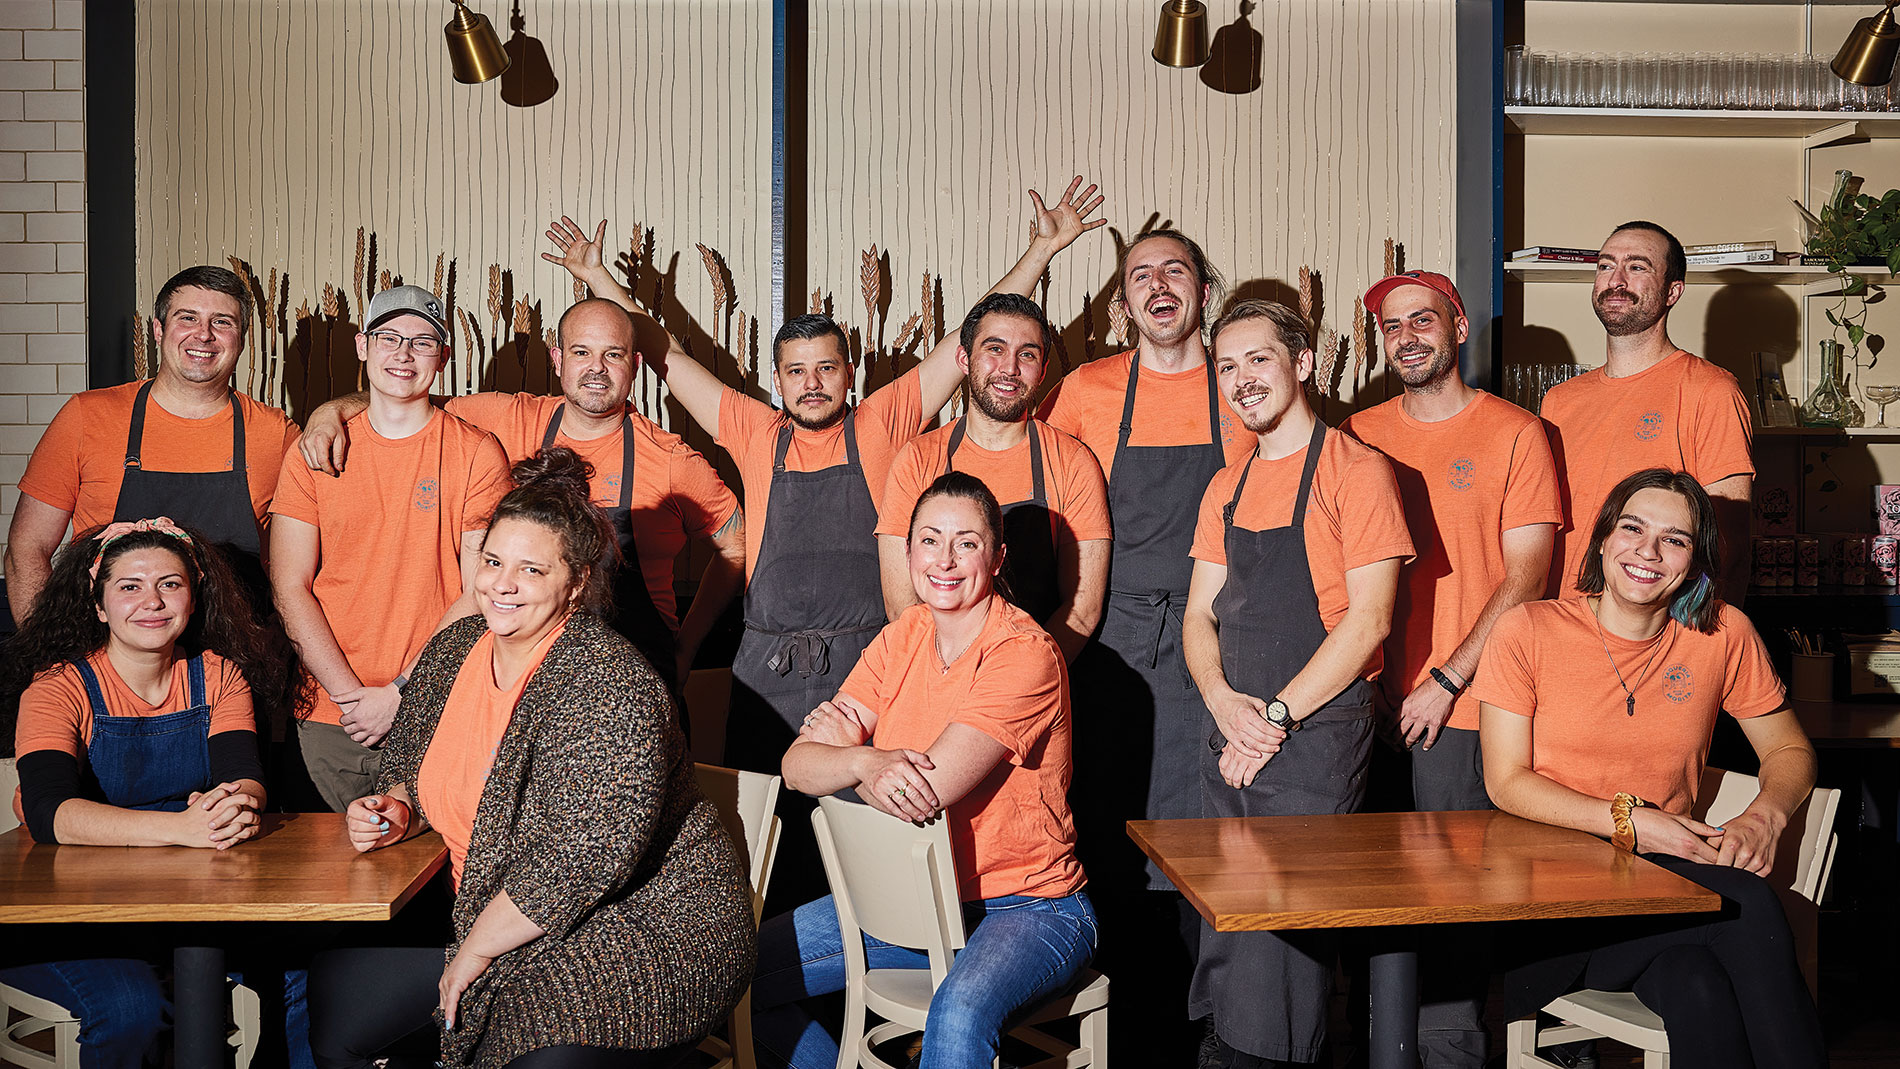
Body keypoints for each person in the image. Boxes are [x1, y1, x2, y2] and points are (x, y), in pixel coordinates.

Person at [542, 176, 1105, 772]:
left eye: (826, 368)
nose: (811, 384)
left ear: (849, 372)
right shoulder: (755, 431)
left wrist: (1041, 250)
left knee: (854, 841)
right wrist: (600, 280)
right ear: (778, 380)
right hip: (764, 671)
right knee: (768, 840)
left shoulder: (883, 424)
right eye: (796, 372)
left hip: (865, 674)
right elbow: (664, 354)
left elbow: (968, 336)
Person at [306, 448, 756, 1069]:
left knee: (530, 1043)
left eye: (530, 570)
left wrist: (477, 950)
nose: (502, 585)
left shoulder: (610, 684)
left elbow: (586, 853)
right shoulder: (456, 648)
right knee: (337, 1004)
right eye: (492, 562)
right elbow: (406, 762)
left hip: (640, 927)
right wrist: (397, 807)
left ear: (575, 583)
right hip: (497, 913)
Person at [1473, 468, 1826, 1069]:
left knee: (1697, 984)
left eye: (1676, 539)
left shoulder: (1721, 634)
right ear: (1604, 540)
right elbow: (1505, 781)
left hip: (1671, 894)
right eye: (1632, 528)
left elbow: (1790, 751)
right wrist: (1632, 822)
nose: (1649, 551)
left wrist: (1766, 816)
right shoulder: (1527, 630)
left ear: (1697, 560)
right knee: (1747, 905)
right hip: (1552, 908)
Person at [751, 472, 1094, 1069]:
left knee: (958, 1014)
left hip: (1025, 909)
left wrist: (853, 762)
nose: (946, 560)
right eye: (930, 540)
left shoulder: (1025, 654)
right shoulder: (902, 636)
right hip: (905, 906)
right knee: (733, 973)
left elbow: (925, 791)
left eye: (967, 543)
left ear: (997, 556)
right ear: (907, 552)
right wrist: (866, 761)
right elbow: (797, 766)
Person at [1036, 228, 1252, 1063]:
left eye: (1177, 271)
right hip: (1111, 647)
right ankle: (1120, 1033)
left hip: (1217, 644)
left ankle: (1211, 1029)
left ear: (1204, 288)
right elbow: (1042, 503)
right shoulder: (1087, 388)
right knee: (1110, 829)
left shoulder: (1240, 384)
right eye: (1140, 276)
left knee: (1210, 840)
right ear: (1123, 303)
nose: (1160, 286)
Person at [295, 296, 745, 691]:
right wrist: (328, 412)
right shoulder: (507, 418)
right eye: (581, 352)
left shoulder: (670, 459)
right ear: (557, 359)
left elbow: (737, 545)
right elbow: (406, 394)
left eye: (614, 354)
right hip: (525, 682)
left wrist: (685, 650)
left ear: (636, 365)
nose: (596, 368)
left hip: (636, 679)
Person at [1337, 271, 1560, 1067]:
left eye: (1422, 319)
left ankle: (1452, 1057)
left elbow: (1528, 576)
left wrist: (1448, 676)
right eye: (1392, 325)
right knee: (1369, 899)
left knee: (1452, 904)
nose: (1407, 337)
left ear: (1458, 327)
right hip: (1364, 705)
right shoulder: (1355, 433)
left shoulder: (1514, 433)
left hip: (1462, 709)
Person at [1183, 299, 1413, 1068]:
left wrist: (1275, 716)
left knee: (1283, 930)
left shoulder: (1358, 470)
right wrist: (1222, 701)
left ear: (1303, 362)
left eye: (1258, 359)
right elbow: (1197, 615)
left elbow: (1370, 621)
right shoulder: (1228, 484)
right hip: (1232, 723)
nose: (1241, 378)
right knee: (1227, 919)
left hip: (1311, 734)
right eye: (1226, 366)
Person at [2, 516, 287, 1069]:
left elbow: (244, 771)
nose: (151, 602)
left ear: (194, 597)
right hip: (68, 913)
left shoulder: (219, 675)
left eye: (170, 584)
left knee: (299, 977)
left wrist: (238, 804)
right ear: (99, 605)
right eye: (129, 587)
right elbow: (47, 811)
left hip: (187, 903)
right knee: (131, 1007)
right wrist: (182, 829)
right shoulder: (57, 687)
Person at [269, 285, 512, 811]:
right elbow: (290, 587)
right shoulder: (311, 452)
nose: (404, 354)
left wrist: (402, 691)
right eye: (389, 338)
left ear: (444, 359)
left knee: (431, 879)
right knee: (330, 882)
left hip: (437, 704)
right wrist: (350, 698)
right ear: (363, 347)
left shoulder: (476, 453)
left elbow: (481, 591)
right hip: (330, 715)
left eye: (423, 342)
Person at [7, 266, 301, 622]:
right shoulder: (87, 417)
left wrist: (335, 409)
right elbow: (27, 548)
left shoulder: (276, 433)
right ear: (158, 331)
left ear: (241, 338)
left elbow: (298, 570)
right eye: (187, 318)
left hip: (235, 659)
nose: (204, 335)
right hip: (108, 657)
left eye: (222, 322)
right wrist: (47, 657)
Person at [876, 293, 1111, 663]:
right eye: (995, 349)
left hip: (1038, 677)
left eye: (1027, 354)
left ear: (1043, 368)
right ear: (964, 359)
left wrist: (1019, 679)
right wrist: (949, 677)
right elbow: (901, 603)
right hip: (936, 671)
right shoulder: (917, 460)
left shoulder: (1072, 462)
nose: (1010, 368)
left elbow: (1082, 608)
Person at [1540, 222, 1753, 602]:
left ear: (1673, 291)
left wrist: (1699, 643)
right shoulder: (1558, 401)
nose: (1616, 280)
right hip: (1563, 620)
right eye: (1605, 266)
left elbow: (1728, 547)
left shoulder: (1712, 391)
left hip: (1656, 630)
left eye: (1637, 267)